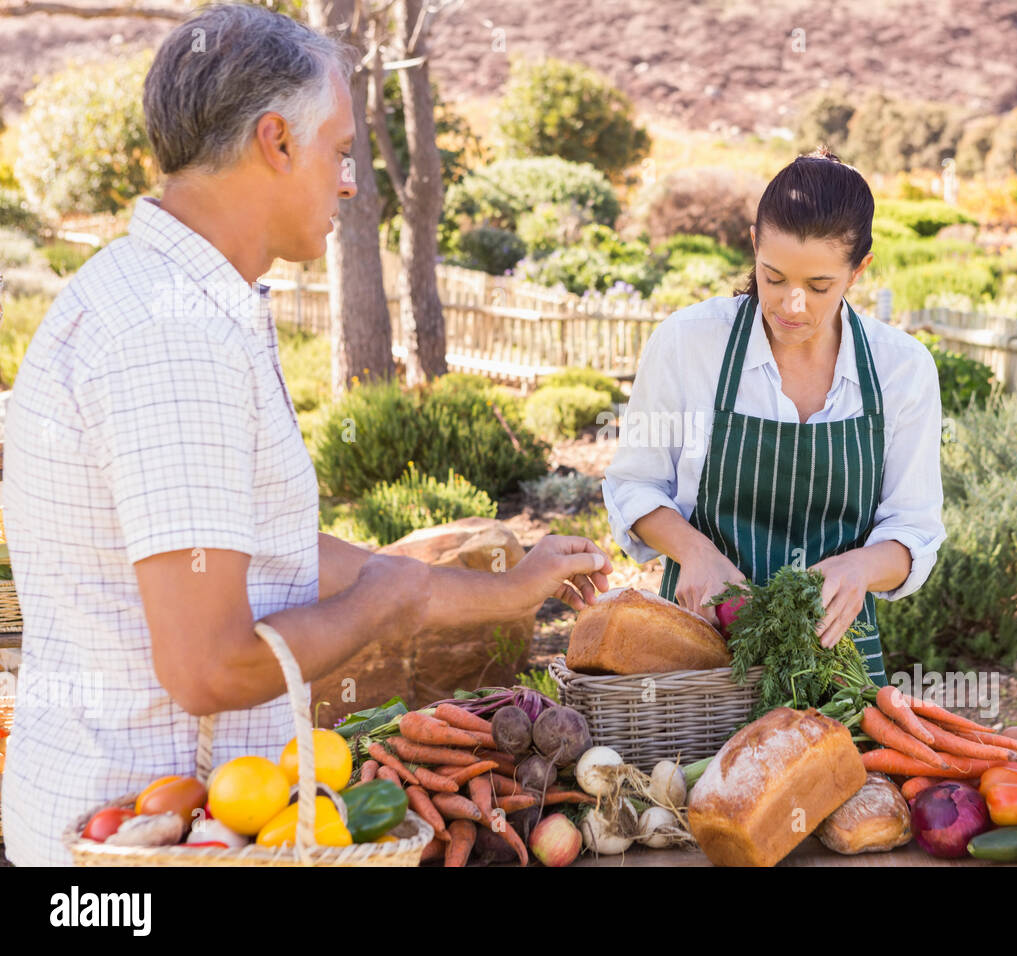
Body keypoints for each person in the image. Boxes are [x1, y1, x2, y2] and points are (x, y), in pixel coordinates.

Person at [0, 3, 610, 867]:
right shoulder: (172, 340)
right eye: (341, 150)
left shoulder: (164, 297)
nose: (352, 181)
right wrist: (386, 605)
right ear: (277, 142)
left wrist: (510, 590)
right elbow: (209, 670)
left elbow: (269, 551)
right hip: (137, 848)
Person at [603, 149, 946, 686]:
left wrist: (860, 568)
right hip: (699, 652)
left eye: (819, 286)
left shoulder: (903, 369)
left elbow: (916, 529)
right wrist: (696, 554)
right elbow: (634, 488)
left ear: (859, 271)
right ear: (753, 245)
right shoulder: (689, 343)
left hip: (838, 666)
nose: (793, 305)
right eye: (774, 275)